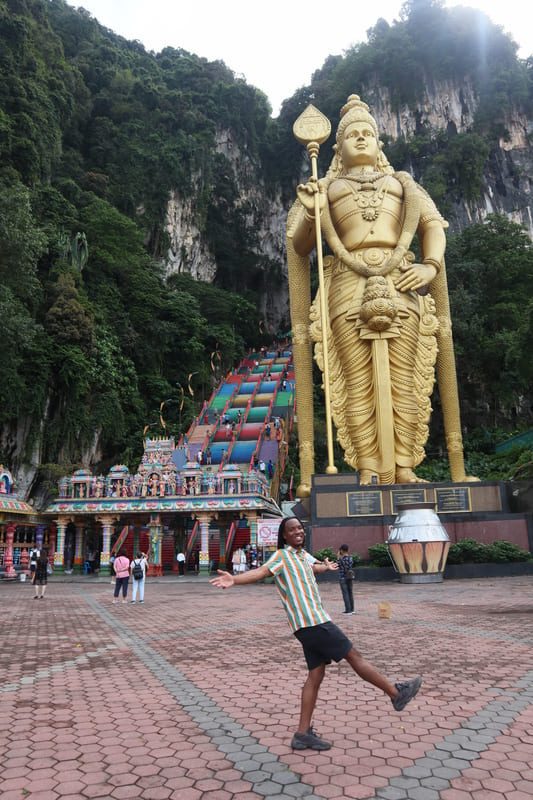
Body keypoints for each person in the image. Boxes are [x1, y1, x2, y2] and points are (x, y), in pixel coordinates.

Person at [287, 94, 468, 491]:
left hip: (402, 277)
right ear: (338, 148)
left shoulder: (402, 184)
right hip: (347, 286)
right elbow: (301, 246)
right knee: (356, 380)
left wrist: (430, 265)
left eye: (369, 133)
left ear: (380, 142)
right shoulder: (326, 187)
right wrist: (313, 211)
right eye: (353, 134)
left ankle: (403, 465)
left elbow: (433, 227)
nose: (362, 138)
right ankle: (368, 468)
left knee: (403, 378)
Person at [210, 517, 421, 751]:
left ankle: (302, 734)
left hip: (308, 625)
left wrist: (327, 567)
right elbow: (261, 572)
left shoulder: (302, 558)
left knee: (315, 675)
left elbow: (315, 568)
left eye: (300, 528)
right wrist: (234, 579)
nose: (298, 531)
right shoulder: (282, 557)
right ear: (285, 536)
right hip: (313, 622)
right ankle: (395, 694)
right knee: (354, 655)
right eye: (292, 529)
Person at [337, 544, 354, 615]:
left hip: (343, 577)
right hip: (350, 577)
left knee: (345, 594)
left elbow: (338, 566)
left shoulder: (340, 559)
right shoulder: (351, 558)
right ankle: (352, 609)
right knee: (350, 593)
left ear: (341, 550)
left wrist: (338, 557)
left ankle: (348, 610)